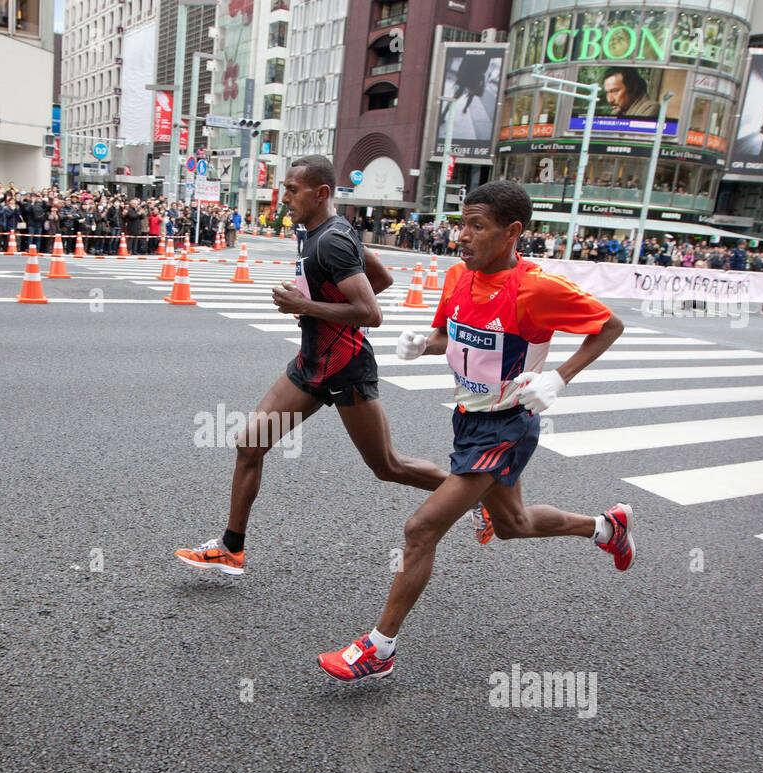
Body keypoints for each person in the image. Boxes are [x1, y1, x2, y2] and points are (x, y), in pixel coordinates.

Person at [314, 180, 631, 683]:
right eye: (461, 223)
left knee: (420, 529)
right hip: (468, 419)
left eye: (476, 226)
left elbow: (610, 326)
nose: (461, 235)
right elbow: (448, 335)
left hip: (508, 425)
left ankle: (379, 648)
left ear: (512, 233)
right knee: (513, 524)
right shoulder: (459, 275)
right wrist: (425, 344)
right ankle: (605, 527)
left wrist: (558, 377)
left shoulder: (536, 288)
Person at [175, 155, 449, 576]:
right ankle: (231, 548)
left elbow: (371, 311)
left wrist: (306, 305)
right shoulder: (318, 232)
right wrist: (322, 307)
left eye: (291, 189)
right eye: (284, 188)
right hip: (311, 363)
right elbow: (381, 277)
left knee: (386, 466)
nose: (283, 197)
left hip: (344, 367)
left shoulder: (332, 240)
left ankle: (471, 493)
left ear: (321, 193)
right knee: (250, 444)